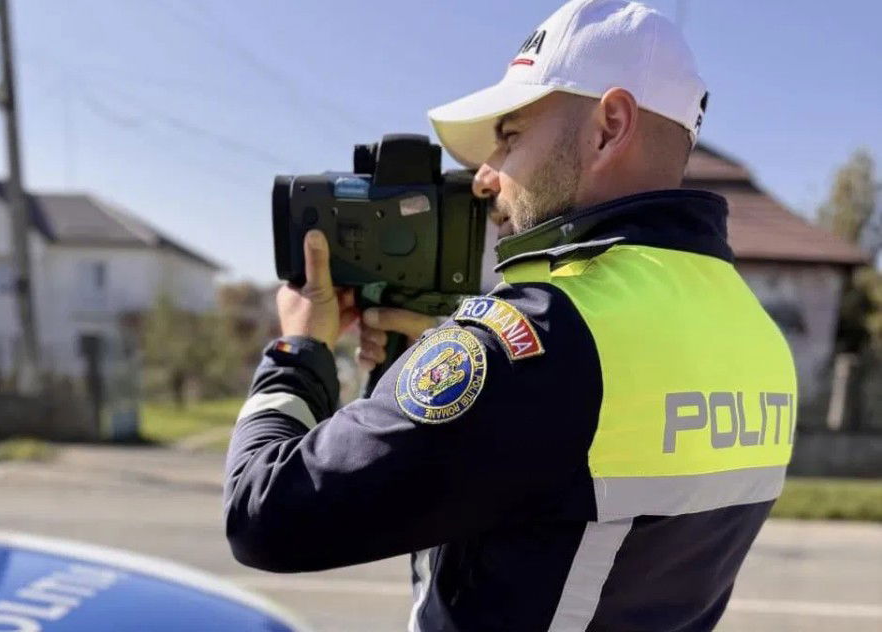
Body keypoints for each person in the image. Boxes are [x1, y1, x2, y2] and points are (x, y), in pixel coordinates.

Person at [224, 1, 797, 630]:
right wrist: (418, 370)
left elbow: (264, 513)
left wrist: (299, 350)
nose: (484, 177)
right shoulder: (757, 333)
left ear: (609, 126)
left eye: (510, 136)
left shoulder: (542, 338)